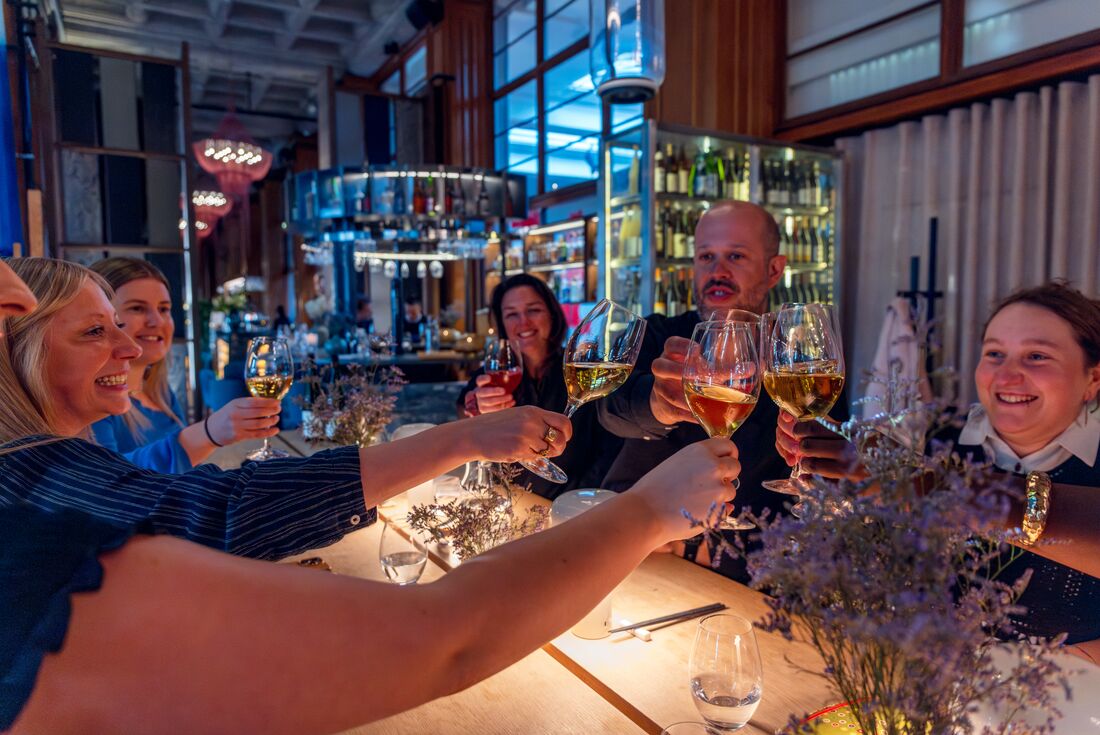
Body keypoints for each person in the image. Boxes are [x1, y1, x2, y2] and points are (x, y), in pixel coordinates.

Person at [0, 253, 744, 734]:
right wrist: (647, 510)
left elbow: (214, 512)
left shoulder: (53, 471)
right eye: (97, 331)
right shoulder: (37, 509)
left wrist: (463, 440)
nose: (133, 345)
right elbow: (445, 637)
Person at [0, 257, 573, 561]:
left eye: (153, 313)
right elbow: (215, 512)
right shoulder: (36, 476)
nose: (129, 346)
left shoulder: (64, 447)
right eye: (99, 330)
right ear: (15, 344)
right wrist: (461, 438)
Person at [777, 282, 1100, 646]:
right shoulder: (936, 441)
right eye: (994, 354)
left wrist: (926, 484)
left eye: (1037, 356)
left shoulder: (927, 467)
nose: (1007, 376)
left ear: (1093, 378)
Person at [596, 201, 792, 578]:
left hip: (745, 573)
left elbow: (813, 471)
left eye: (736, 256)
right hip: (642, 557)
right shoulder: (660, 333)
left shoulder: (796, 364)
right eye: (706, 257)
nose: (717, 272)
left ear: (773, 270)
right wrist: (655, 403)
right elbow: (607, 409)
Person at [88, 257, 282, 473]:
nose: (157, 321)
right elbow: (109, 481)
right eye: (137, 308)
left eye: (164, 309)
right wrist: (208, 433)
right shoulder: (94, 401)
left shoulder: (159, 393)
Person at [457, 274, 623, 499]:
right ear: (502, 324)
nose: (523, 322)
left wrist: (580, 500)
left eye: (533, 310)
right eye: (511, 314)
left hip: (571, 504)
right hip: (508, 500)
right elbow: (464, 406)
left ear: (552, 315)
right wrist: (477, 407)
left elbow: (609, 446)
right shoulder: (496, 373)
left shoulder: (580, 369)